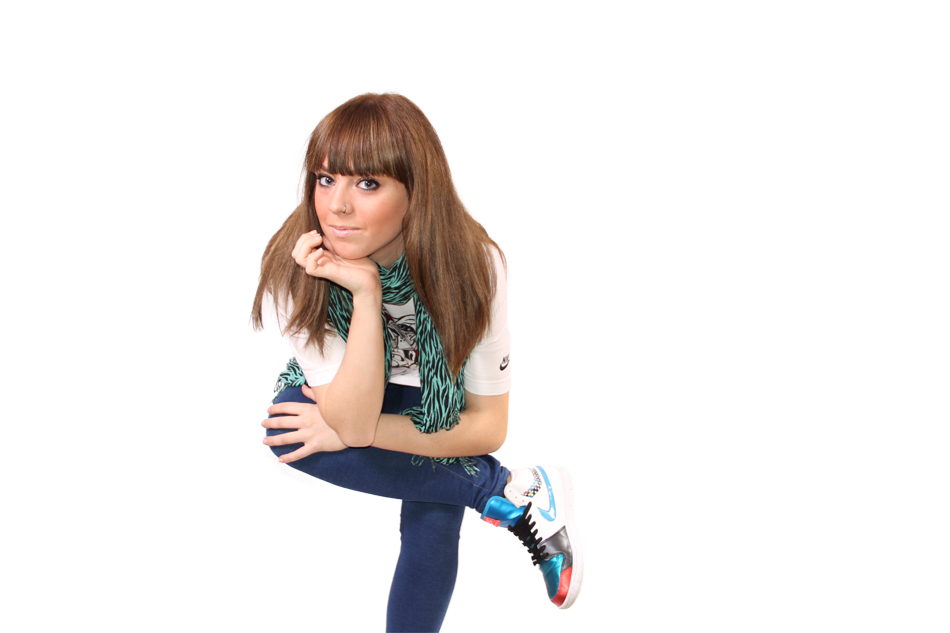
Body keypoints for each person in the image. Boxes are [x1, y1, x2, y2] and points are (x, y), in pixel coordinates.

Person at [251, 93, 583, 632]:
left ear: (416, 191)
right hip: (354, 387)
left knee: (431, 517)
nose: (337, 206)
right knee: (288, 430)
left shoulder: (473, 265)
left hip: (431, 390)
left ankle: (505, 493)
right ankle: (508, 491)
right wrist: (365, 294)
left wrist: (350, 430)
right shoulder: (297, 266)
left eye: (368, 183)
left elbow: (487, 426)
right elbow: (350, 418)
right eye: (326, 179)